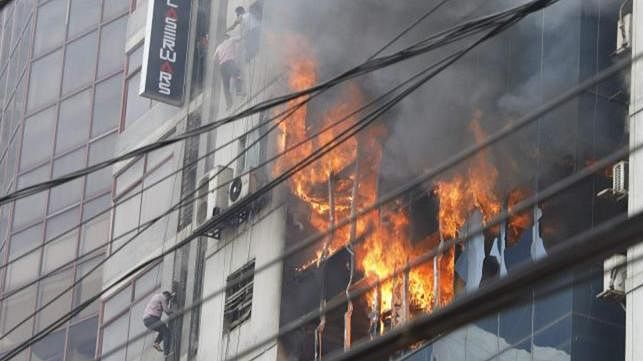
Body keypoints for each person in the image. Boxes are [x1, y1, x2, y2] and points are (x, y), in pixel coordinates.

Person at [214, 33, 243, 109]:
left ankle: (229, 104)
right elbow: (240, 37)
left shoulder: (219, 47)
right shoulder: (231, 40)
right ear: (227, 37)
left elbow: (214, 58)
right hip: (230, 63)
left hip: (222, 67)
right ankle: (239, 92)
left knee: (225, 86)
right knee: (237, 75)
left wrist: (220, 61)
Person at [143, 291, 175, 357]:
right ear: (166, 296)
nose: (167, 302)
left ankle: (156, 342)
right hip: (151, 318)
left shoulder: (156, 297)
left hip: (147, 321)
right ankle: (166, 353)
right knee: (167, 332)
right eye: (168, 300)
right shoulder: (162, 297)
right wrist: (174, 310)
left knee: (163, 330)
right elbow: (167, 311)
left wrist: (171, 296)